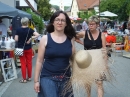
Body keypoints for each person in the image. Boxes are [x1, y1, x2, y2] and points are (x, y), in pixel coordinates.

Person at [34, 11, 76, 97]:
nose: (60, 22)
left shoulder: (70, 39)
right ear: (53, 22)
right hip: (48, 78)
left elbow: (74, 58)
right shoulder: (45, 39)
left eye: (62, 20)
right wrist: (36, 81)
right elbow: (39, 61)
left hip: (66, 78)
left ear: (66, 23)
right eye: (57, 19)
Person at [75, 15, 108, 97]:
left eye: (93, 24)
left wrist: (105, 64)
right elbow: (74, 37)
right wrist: (82, 43)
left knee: (99, 83)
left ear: (97, 25)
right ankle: (88, 95)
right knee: (87, 82)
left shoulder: (101, 35)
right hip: (87, 62)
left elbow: (104, 50)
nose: (91, 26)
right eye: (89, 24)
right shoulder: (84, 33)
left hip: (98, 62)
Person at [15, 17, 40, 83]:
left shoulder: (18, 30)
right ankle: (29, 77)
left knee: (23, 63)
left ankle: (24, 79)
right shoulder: (30, 30)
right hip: (28, 48)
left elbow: (16, 39)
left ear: (21, 22)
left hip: (21, 49)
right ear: (27, 22)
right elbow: (37, 35)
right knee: (29, 63)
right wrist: (30, 38)